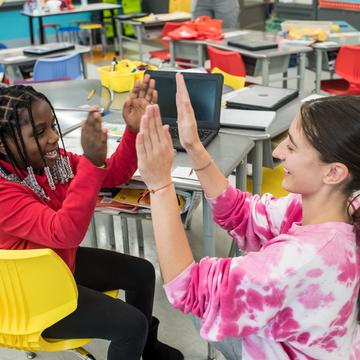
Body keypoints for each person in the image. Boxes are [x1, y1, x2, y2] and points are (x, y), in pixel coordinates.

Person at [135, 72, 360, 359]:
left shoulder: (302, 259)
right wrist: (194, 146)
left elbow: (190, 288)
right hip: (326, 342)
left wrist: (160, 186)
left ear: (333, 172)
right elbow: (243, 213)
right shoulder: (339, 205)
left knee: (202, 312)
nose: (278, 152)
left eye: (291, 146)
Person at [0, 77, 183, 360]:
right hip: (30, 297)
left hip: (56, 265)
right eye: (39, 131)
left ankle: (146, 349)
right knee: (131, 326)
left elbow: (112, 174)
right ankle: (138, 341)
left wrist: (133, 131)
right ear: (3, 143)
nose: (53, 137)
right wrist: (91, 162)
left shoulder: (51, 161)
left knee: (142, 273)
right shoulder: (3, 192)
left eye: (51, 126)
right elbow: (63, 232)